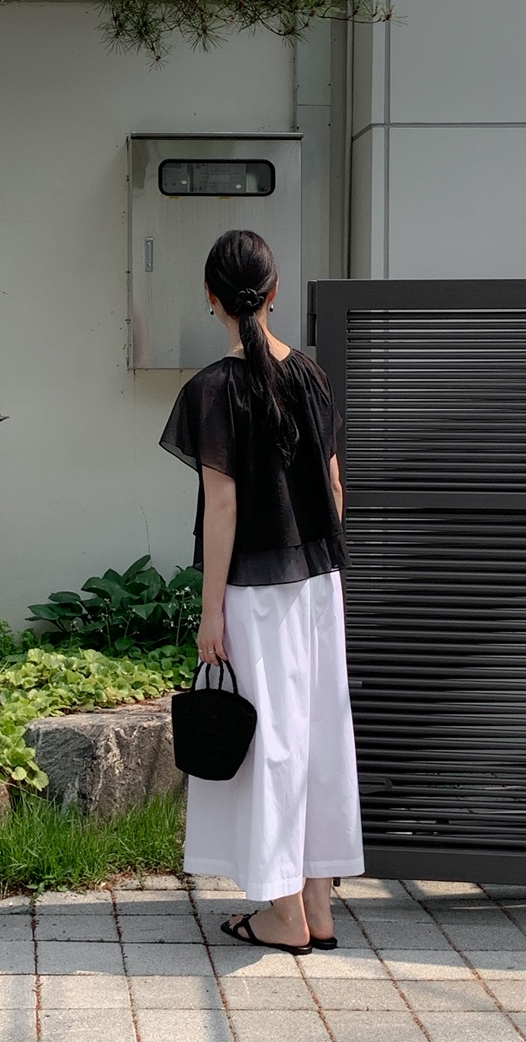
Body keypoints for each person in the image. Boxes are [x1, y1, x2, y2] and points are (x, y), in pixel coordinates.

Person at [160, 229, 364, 955]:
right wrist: (322, 572)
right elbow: (333, 486)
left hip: (256, 589)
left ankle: (283, 916)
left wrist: (210, 610)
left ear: (210, 298)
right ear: (273, 293)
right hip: (317, 582)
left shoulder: (212, 390)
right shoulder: (310, 375)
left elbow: (223, 506)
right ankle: (317, 908)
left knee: (272, 740)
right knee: (318, 733)